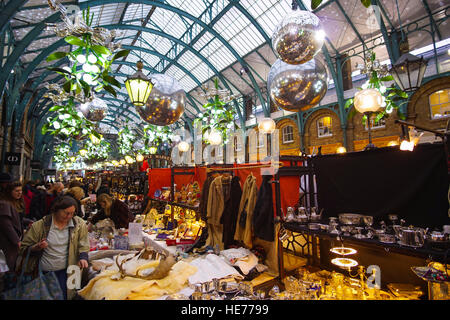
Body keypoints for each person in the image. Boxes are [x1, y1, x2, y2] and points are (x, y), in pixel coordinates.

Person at [19, 196, 89, 300]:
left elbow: (83, 243)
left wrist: (83, 257)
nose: (69, 216)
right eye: (66, 213)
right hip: (45, 272)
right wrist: (36, 247)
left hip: (70, 271)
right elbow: (23, 248)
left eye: (72, 213)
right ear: (56, 210)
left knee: (68, 296)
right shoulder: (40, 226)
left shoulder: (79, 224)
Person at [0, 183, 23, 274]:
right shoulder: (4, 204)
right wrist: (17, 241)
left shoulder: (15, 203)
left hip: (12, 241)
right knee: (7, 265)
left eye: (21, 190)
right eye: (17, 191)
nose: (19, 193)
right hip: (7, 241)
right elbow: (6, 225)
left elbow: (17, 218)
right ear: (10, 192)